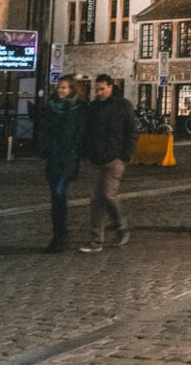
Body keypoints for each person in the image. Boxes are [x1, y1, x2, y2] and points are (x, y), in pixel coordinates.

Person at [79, 74, 137, 253]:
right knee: (96, 199)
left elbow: (132, 131)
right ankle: (97, 239)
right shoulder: (93, 108)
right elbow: (87, 131)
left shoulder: (122, 105)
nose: (99, 92)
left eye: (102, 89)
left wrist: (125, 155)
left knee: (108, 195)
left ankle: (120, 225)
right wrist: (86, 152)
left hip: (115, 158)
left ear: (111, 87)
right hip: (95, 158)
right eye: (96, 89)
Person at [39, 75, 85, 252]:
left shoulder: (78, 109)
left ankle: (61, 235)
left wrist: (74, 150)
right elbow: (44, 129)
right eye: (59, 87)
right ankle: (58, 234)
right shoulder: (51, 108)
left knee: (59, 192)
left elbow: (80, 133)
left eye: (64, 88)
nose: (60, 90)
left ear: (72, 90)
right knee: (55, 196)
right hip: (53, 157)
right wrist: (45, 148)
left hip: (68, 158)